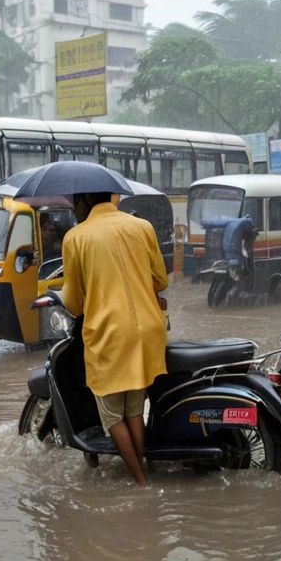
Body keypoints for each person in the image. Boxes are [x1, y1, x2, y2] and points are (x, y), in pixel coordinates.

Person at [61, 190, 169, 486]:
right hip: (148, 330)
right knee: (134, 408)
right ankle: (145, 469)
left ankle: (141, 481)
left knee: (112, 416)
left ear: (84, 201)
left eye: (74, 203)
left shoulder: (76, 237)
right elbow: (161, 280)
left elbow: (73, 304)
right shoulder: (142, 226)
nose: (73, 209)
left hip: (109, 334)